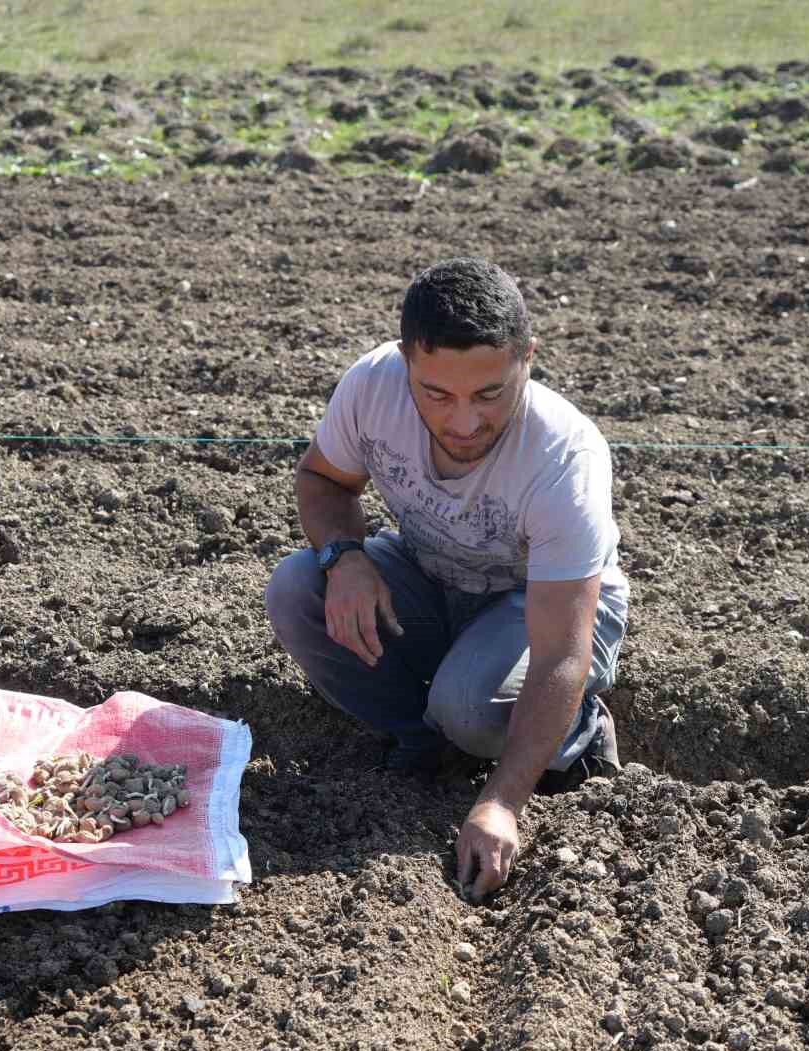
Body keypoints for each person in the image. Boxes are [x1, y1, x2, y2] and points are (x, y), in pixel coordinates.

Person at [264, 257, 629, 899]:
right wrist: (345, 558)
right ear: (407, 362)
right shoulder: (372, 387)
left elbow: (559, 657)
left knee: (469, 709)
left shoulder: (563, 459)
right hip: (431, 571)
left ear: (527, 359)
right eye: (437, 394)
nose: (463, 422)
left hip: (538, 605)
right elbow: (323, 480)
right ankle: (421, 737)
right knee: (299, 589)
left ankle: (576, 734)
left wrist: (504, 804)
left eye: (490, 394)